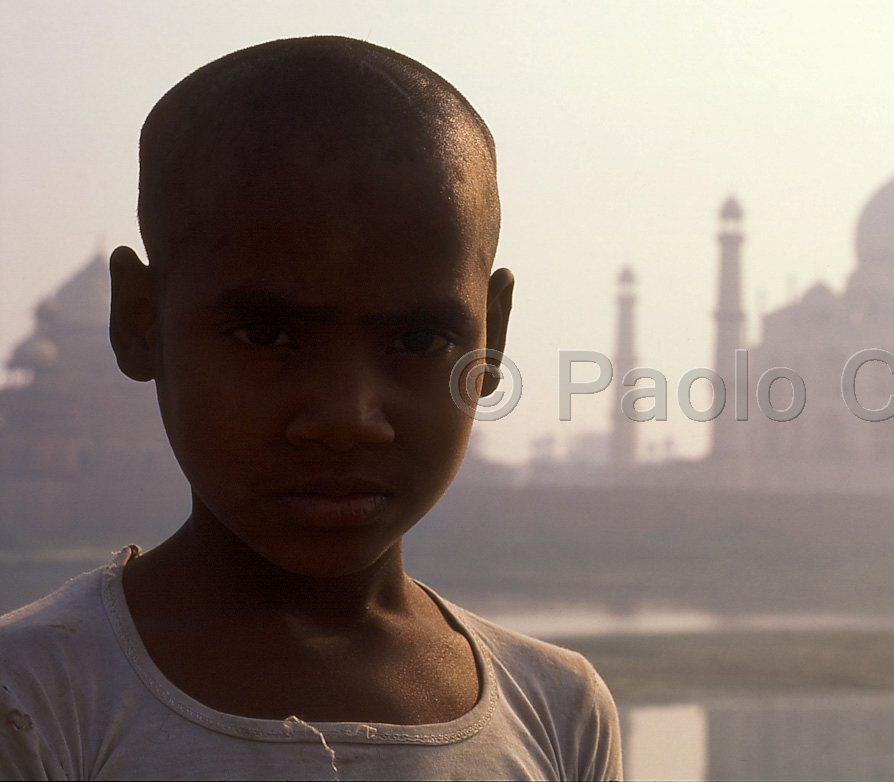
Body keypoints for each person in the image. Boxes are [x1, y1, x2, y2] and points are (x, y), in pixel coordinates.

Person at [0, 36, 621, 780]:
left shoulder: (557, 709)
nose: (346, 416)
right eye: (267, 334)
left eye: (417, 338)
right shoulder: (37, 699)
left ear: (492, 337)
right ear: (141, 322)